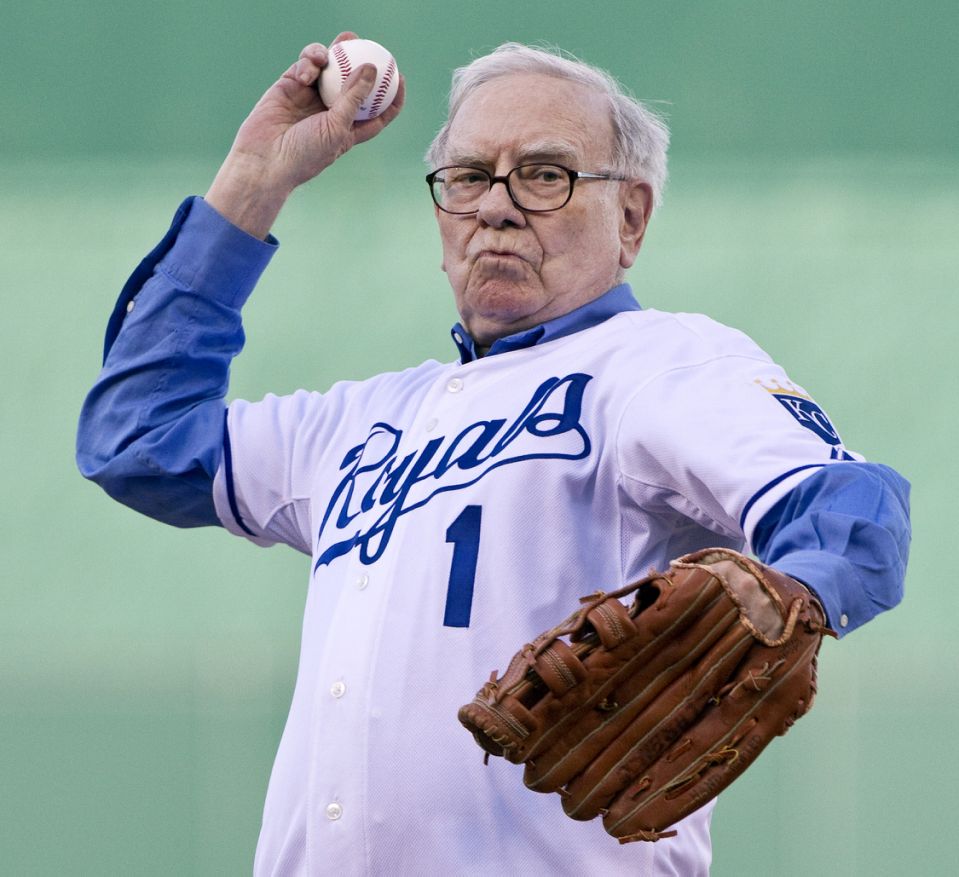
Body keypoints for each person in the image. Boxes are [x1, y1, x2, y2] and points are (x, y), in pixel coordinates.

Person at [77, 34, 911, 876]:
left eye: (545, 175)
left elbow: (849, 510)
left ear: (630, 216)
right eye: (469, 176)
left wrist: (790, 593)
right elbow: (138, 441)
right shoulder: (359, 422)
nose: (497, 206)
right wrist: (254, 182)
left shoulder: (659, 364)